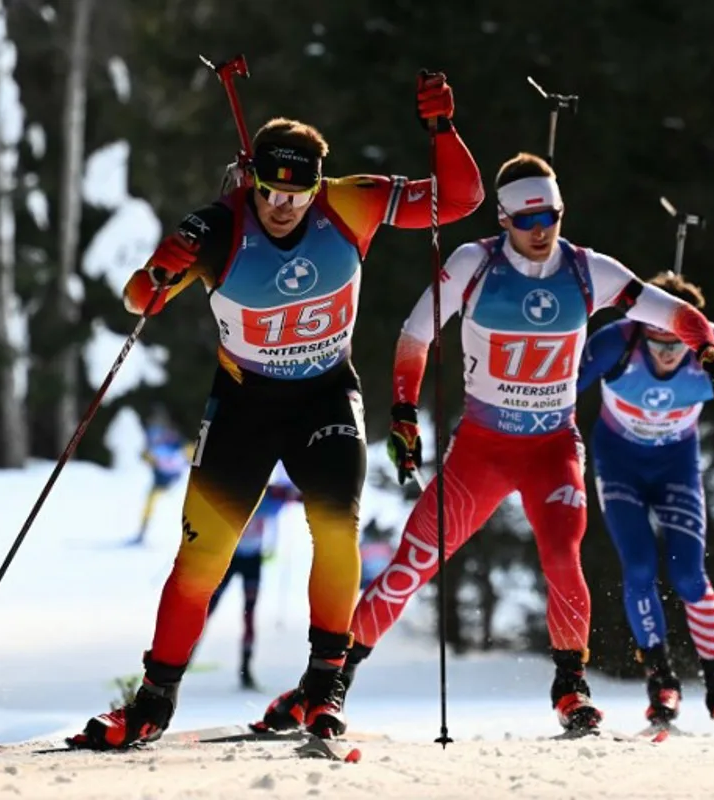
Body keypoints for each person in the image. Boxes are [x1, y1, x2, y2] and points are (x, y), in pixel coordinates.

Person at [259, 151, 714, 738]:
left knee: (564, 557)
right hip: (481, 452)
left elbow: (676, 311)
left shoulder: (591, 271)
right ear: (504, 219)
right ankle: (329, 683)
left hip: (552, 449)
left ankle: (571, 686)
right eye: (527, 220)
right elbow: (416, 334)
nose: (541, 233)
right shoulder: (474, 263)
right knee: (414, 563)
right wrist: (406, 414)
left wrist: (710, 346)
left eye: (551, 218)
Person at [68, 71, 484, 750]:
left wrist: (443, 129)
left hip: (325, 394)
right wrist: (162, 268)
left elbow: (460, 200)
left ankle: (325, 688)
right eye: (269, 192)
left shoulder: (351, 203)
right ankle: (151, 703)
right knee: (201, 557)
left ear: (317, 185)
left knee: (336, 526)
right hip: (244, 403)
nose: (283, 206)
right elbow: (139, 300)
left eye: (297, 193)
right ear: (250, 180)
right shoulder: (216, 227)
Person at [575, 271, 714, 732]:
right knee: (638, 567)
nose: (665, 349)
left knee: (688, 574)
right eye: (656, 335)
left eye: (677, 338)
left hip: (676, 469)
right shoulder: (617, 342)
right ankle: (661, 682)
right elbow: (559, 390)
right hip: (619, 466)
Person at [203, 463, 302, 691]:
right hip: (229, 558)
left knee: (249, 613)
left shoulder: (269, 494)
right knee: (209, 608)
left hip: (252, 560)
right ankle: (182, 658)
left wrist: (290, 493)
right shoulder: (241, 492)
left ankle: (246, 670)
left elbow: (297, 497)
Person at [128, 418, 191, 546]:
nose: (168, 436)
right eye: (166, 434)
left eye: (171, 434)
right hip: (159, 484)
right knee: (150, 505)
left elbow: (194, 455)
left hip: (175, 484)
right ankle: (142, 532)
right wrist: (146, 456)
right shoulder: (158, 447)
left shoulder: (183, 447)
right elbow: (146, 457)